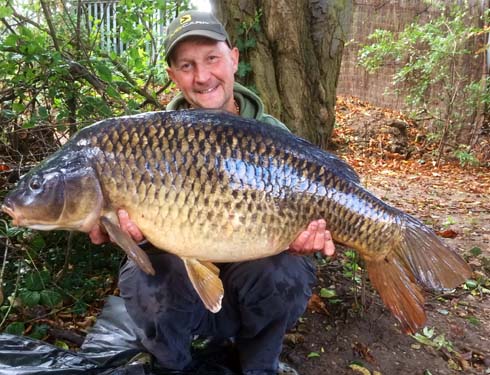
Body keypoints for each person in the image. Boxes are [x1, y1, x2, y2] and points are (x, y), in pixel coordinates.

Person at [89, 10, 335, 375]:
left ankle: (259, 365)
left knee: (287, 270)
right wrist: (132, 238)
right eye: (187, 65)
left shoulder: (272, 133)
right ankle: (174, 364)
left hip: (248, 291)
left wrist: (303, 239)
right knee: (141, 277)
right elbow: (142, 238)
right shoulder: (149, 143)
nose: (202, 76)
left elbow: (318, 210)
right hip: (186, 296)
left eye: (212, 59)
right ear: (173, 76)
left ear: (234, 58)